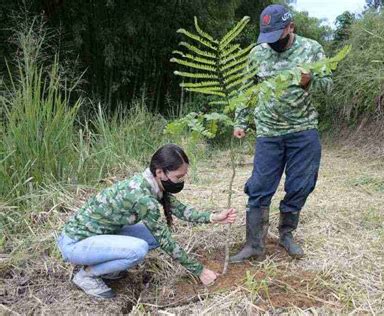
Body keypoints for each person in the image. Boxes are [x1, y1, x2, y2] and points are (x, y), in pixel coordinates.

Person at [57, 144, 237, 299]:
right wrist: (199, 270)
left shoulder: (151, 183)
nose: (182, 181)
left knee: (150, 236)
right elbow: (166, 241)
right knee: (138, 250)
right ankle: (87, 275)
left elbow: (180, 210)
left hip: (97, 236)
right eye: (178, 177)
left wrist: (214, 218)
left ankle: (107, 267)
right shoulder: (142, 197)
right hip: (76, 244)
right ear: (160, 172)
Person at [230, 4, 332, 262]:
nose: (272, 43)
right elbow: (246, 89)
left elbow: (330, 89)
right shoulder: (257, 54)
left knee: (301, 184)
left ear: (291, 27)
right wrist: (239, 121)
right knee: (259, 187)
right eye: (268, 37)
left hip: (303, 131)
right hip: (268, 132)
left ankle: (286, 234)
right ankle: (254, 244)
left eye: (277, 35)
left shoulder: (312, 49)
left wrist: (311, 82)